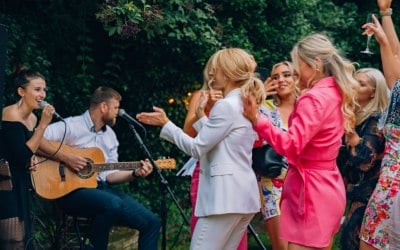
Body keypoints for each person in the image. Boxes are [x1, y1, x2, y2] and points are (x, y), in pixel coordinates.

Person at [136, 48, 265, 249]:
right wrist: (201, 115)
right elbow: (222, 143)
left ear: (229, 72)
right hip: (242, 197)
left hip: (224, 198)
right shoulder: (244, 103)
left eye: (217, 69)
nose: (212, 73)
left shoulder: (226, 105)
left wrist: (166, 124)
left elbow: (197, 148)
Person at [242, 33, 359, 249]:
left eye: (298, 66)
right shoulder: (335, 92)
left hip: (310, 193)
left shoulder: (313, 98)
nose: (297, 73)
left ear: (315, 64)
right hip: (328, 185)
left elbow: (292, 144)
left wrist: (258, 120)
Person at [38, 86, 161, 250]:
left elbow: (110, 175)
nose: (118, 112)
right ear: (103, 107)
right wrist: (66, 158)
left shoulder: (110, 136)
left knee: (151, 222)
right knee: (113, 203)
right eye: (116, 107)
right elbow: (37, 140)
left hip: (100, 189)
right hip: (68, 192)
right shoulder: (71, 125)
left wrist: (134, 173)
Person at [183, 87, 248, 249]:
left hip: (238, 175)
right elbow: (190, 134)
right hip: (208, 172)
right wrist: (204, 109)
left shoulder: (242, 97)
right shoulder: (202, 95)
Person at [358, 1, 400, 249]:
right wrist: (385, 13)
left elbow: (394, 66)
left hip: (392, 190)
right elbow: (395, 58)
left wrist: (384, 39)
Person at [0, 69, 55, 250]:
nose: (42, 95)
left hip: (22, 181)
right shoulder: (10, 113)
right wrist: (43, 125)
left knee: (25, 238)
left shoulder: (32, 117)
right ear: (21, 92)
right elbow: (20, 154)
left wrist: (32, 157)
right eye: (37, 89)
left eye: (44, 90)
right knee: (13, 239)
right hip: (6, 182)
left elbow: (28, 149)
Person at [338, 68, 388, 250]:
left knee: (351, 242)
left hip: (369, 197)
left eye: (362, 83)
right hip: (356, 193)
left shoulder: (376, 120)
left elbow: (365, 160)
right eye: (354, 81)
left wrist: (349, 132)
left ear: (374, 92)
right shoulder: (357, 115)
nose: (354, 86)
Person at [256, 61, 297, 250]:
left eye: (286, 75)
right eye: (275, 76)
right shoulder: (264, 107)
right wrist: (260, 95)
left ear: (296, 78)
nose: (281, 80)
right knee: (281, 246)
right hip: (273, 183)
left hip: (305, 183)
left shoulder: (307, 107)